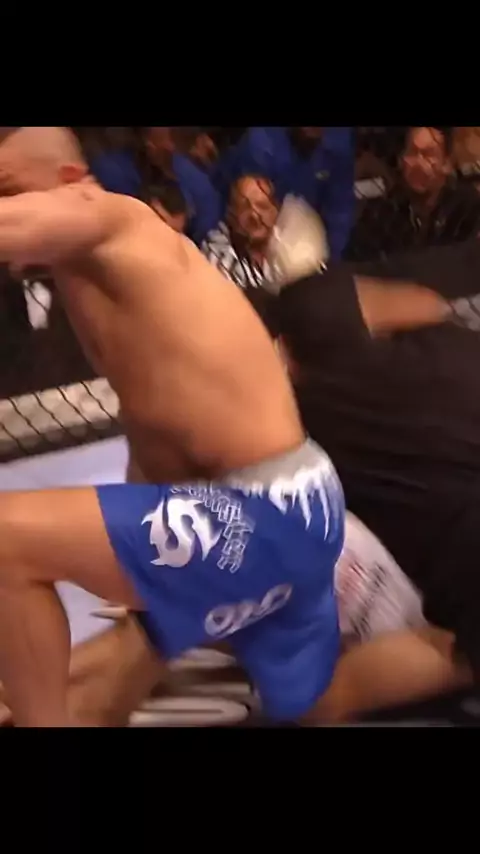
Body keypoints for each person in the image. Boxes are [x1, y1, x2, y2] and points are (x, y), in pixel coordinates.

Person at [0, 128, 460, 728]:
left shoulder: (114, 218)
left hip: (262, 510)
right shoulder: (89, 282)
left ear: (68, 184)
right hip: (287, 511)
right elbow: (153, 431)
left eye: (8, 189)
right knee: (312, 705)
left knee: (7, 539)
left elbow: (16, 226)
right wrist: (133, 560)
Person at [348, 126, 480, 262]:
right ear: (401, 160)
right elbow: (356, 260)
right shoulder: (385, 209)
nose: (418, 163)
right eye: (412, 153)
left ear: (446, 163)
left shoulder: (467, 208)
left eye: (428, 155)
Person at [221, 127, 355, 260]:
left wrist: (330, 257)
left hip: (303, 240)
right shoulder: (262, 141)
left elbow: (340, 207)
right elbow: (250, 216)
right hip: (239, 233)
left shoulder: (338, 140)